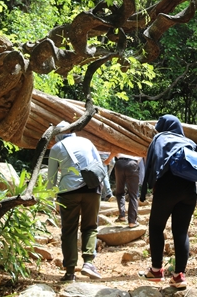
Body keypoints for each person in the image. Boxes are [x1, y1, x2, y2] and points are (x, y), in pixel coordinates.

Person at [138, 114, 197, 289]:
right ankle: (179, 276)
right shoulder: (189, 142)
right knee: (181, 231)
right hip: (189, 191)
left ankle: (156, 271)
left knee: (156, 227)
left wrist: (147, 190)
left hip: (167, 188)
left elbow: (151, 164)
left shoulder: (160, 138)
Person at [46, 121, 111, 282]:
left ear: (57, 134)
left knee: (69, 231)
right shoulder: (86, 142)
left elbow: (51, 178)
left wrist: (48, 200)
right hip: (91, 190)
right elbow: (100, 166)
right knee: (90, 227)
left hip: (68, 193)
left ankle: (69, 272)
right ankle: (88, 263)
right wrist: (107, 190)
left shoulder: (55, 149)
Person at [112, 154, 145, 227]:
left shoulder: (121, 142)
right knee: (133, 194)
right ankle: (132, 221)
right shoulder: (139, 143)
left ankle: (122, 215)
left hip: (120, 163)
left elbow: (115, 152)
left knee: (119, 191)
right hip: (132, 164)